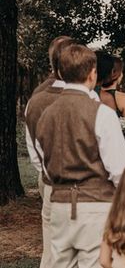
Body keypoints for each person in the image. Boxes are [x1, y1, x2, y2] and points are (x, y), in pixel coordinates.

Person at [35, 44, 125, 267]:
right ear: (92, 74)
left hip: (59, 205)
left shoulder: (46, 114)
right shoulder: (102, 114)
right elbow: (120, 170)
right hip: (95, 207)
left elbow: (44, 163)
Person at [24, 37, 75, 268]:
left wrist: (45, 172)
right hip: (80, 187)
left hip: (48, 179)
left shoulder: (34, 99)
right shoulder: (87, 98)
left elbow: (32, 146)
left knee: (52, 248)